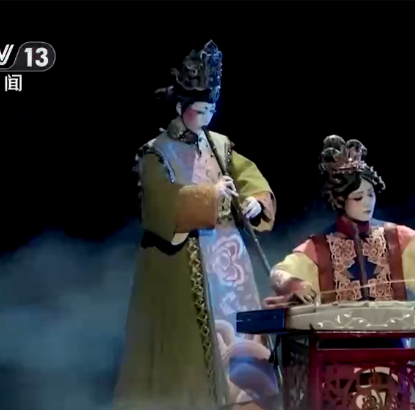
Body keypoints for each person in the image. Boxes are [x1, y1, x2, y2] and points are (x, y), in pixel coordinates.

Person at [115, 41, 279, 410]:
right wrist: (210, 195)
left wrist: (254, 200)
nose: (206, 117)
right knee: (186, 348)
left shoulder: (219, 144)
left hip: (227, 258)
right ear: (180, 107)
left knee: (239, 335)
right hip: (180, 262)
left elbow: (248, 176)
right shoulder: (156, 152)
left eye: (211, 110)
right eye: (200, 110)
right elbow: (158, 205)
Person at [265, 136, 415, 312]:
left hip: (393, 338)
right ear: (340, 200)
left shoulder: (394, 237)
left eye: (371, 194)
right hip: (336, 341)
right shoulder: (320, 246)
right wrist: (296, 285)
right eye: (358, 198)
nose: (367, 203)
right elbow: (279, 272)